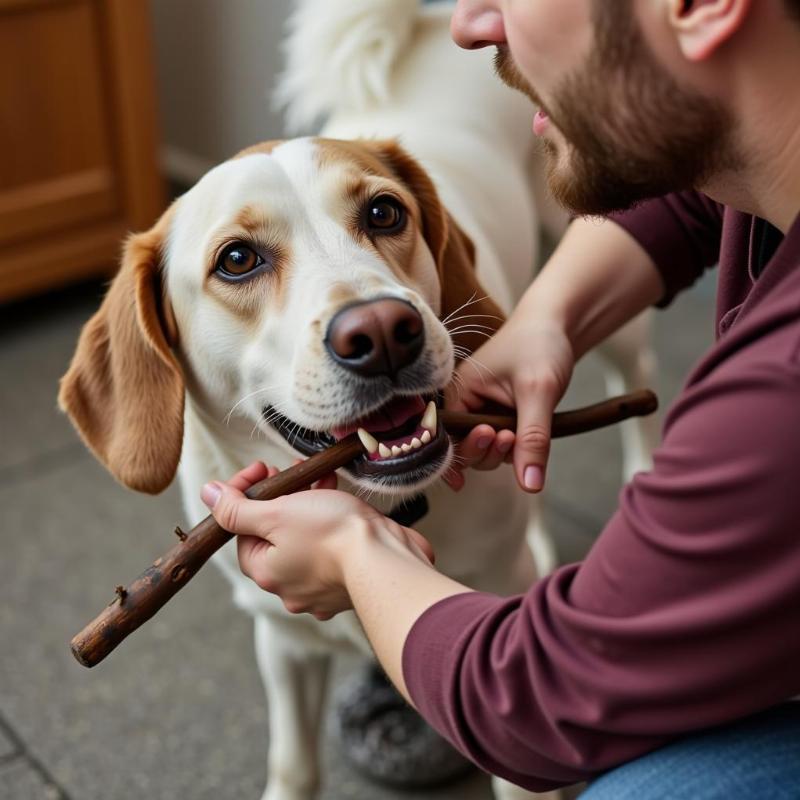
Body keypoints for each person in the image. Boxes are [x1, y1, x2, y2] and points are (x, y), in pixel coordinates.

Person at [199, 0, 800, 795]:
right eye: (241, 260)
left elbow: (543, 701)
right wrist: (545, 317)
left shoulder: (775, 400)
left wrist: (355, 556)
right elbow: (699, 184)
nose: (469, 22)